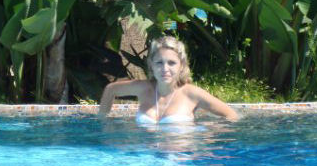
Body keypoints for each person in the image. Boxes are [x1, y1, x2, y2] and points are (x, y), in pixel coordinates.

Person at [99, 36, 240, 124]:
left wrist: (206, 133)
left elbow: (232, 116)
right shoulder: (143, 88)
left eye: (171, 63)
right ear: (151, 65)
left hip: (180, 158)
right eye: (159, 63)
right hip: (144, 157)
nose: (165, 69)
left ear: (181, 66)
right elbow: (110, 89)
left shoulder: (191, 93)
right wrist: (104, 123)